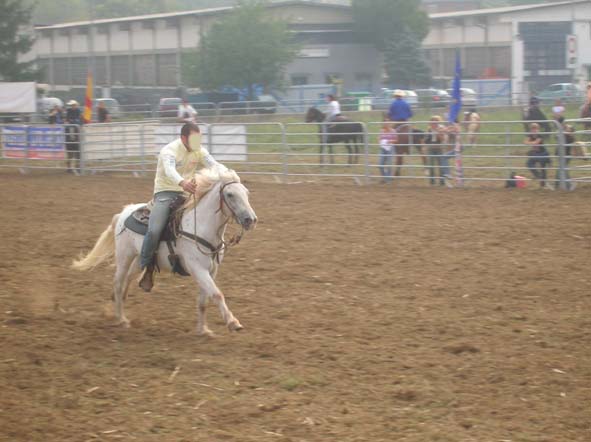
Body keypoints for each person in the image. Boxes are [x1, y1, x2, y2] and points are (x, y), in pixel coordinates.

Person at [139, 122, 228, 292]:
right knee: (154, 228)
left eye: (199, 138)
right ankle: (146, 264)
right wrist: (182, 182)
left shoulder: (199, 150)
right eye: (194, 138)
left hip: (187, 192)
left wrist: (229, 174)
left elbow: (214, 164)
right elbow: (170, 170)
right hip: (165, 192)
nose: (197, 142)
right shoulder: (169, 151)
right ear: (183, 138)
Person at [524, 123, 552, 189]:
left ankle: (543, 184)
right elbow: (525, 142)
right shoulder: (530, 135)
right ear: (531, 130)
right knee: (529, 163)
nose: (534, 130)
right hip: (536, 153)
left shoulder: (540, 135)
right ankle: (538, 176)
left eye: (536, 129)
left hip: (543, 153)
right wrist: (531, 143)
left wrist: (530, 143)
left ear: (538, 129)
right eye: (533, 129)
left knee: (543, 167)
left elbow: (536, 143)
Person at [554, 117, 576, 190]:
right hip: (560, 153)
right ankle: (564, 185)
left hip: (567, 152)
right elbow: (557, 138)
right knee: (562, 168)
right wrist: (565, 132)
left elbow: (573, 137)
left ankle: (558, 185)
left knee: (562, 168)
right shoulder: (559, 131)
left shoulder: (570, 128)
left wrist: (569, 133)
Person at [424, 115, 446, 186]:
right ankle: (432, 181)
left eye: (435, 122)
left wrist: (437, 133)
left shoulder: (441, 128)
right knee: (431, 165)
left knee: (441, 165)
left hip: (439, 148)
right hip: (431, 148)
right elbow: (426, 140)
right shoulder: (429, 129)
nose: (433, 124)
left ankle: (442, 181)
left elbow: (442, 139)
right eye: (432, 122)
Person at [65, 100, 82, 174]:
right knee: (70, 153)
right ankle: (69, 167)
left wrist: (74, 122)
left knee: (77, 152)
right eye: (72, 105)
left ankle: (77, 167)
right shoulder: (69, 111)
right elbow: (67, 121)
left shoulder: (78, 111)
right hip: (70, 135)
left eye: (74, 105)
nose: (73, 106)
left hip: (76, 134)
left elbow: (79, 121)